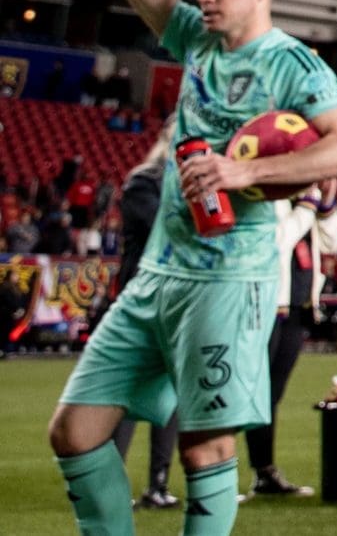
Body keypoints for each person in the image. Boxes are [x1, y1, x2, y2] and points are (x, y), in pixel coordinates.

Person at [47, 0, 337, 536]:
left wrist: (245, 168)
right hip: (158, 272)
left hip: (231, 276)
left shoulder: (296, 64)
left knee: (205, 446)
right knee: (73, 432)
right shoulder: (193, 36)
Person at [242, 176, 337, 496]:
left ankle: (265, 471)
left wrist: (326, 204)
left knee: (272, 394)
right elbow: (277, 241)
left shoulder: (305, 204)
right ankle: (218, 470)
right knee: (250, 392)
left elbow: (332, 243)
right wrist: (307, 206)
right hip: (266, 306)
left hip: (297, 309)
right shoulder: (268, 198)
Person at [102, 128, 178, 512]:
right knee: (128, 396)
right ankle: (114, 486)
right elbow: (167, 233)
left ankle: (158, 484)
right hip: (140, 302)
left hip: (178, 302)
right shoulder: (143, 183)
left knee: (169, 397)